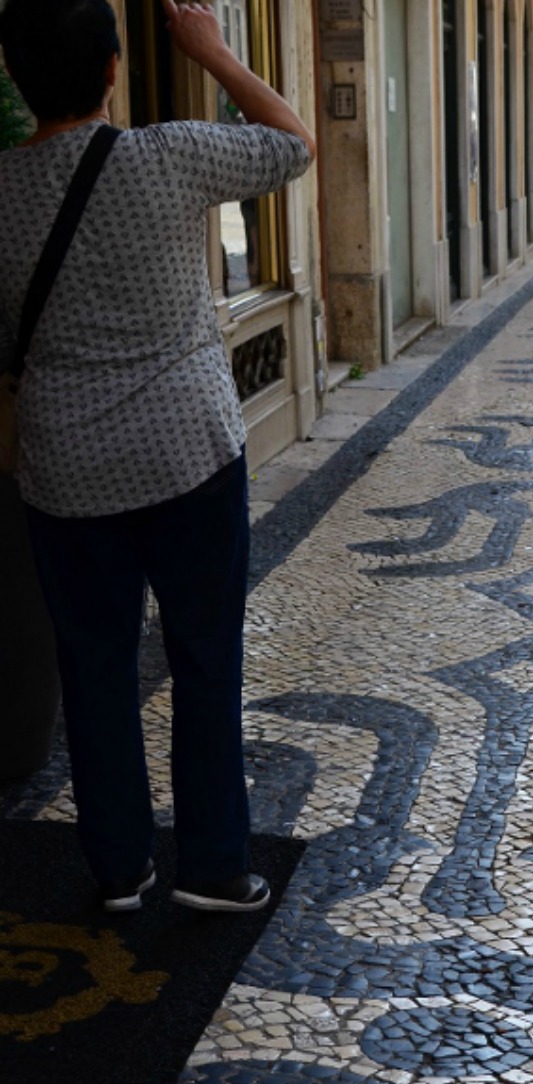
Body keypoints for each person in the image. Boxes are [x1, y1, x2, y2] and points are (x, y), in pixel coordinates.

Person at [0, 0, 315, 912]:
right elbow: (292, 143)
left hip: (64, 471)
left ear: (17, 83)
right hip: (187, 455)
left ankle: (119, 868)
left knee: (91, 666)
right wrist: (212, 52)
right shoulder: (167, 154)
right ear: (111, 69)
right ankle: (214, 866)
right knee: (204, 658)